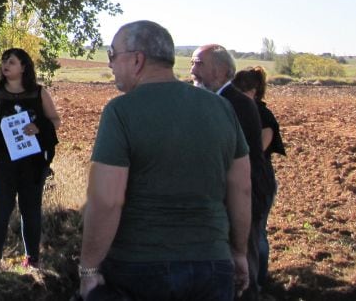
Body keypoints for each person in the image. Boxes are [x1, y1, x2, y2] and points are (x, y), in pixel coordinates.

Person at [79, 21, 250, 301]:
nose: (110, 64)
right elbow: (242, 189)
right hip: (212, 265)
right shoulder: (222, 108)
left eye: (112, 54)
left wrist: (88, 270)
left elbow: (107, 200)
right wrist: (240, 252)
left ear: (137, 59)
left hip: (138, 268)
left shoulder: (121, 111)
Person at [192, 44, 274, 300]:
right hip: (226, 199)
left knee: (242, 267)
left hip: (242, 199)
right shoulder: (219, 100)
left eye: (198, 64)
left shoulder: (234, 104)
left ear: (219, 71)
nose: (191, 70)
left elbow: (238, 162)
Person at [0, 48, 61, 271]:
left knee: (31, 210)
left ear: (23, 67)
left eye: (11, 62)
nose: (5, 65)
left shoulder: (39, 93)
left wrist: (38, 127)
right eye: (4, 61)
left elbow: (55, 120)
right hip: (2, 163)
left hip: (32, 163)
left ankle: (32, 260)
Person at [233, 65, 286, 288]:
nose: (240, 93)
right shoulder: (236, 110)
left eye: (243, 88)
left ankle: (258, 281)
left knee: (256, 234)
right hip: (243, 177)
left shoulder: (263, 115)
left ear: (255, 90)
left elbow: (256, 151)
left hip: (258, 180)